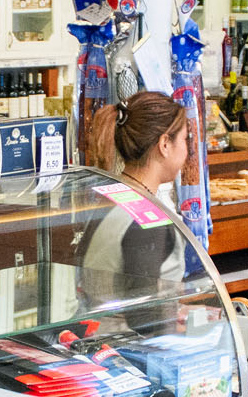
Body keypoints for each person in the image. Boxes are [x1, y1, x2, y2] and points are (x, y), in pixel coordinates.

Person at [80, 90, 188, 290]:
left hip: (100, 320)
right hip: (123, 322)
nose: (186, 150)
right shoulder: (148, 220)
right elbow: (145, 313)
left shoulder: (111, 195)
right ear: (165, 144)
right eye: (184, 139)